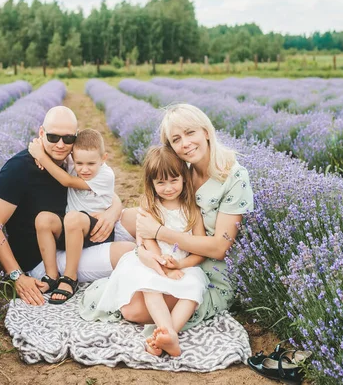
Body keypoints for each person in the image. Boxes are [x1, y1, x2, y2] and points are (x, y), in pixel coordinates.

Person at [80, 103, 254, 356]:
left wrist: (158, 232)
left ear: (206, 131)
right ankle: (167, 334)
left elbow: (218, 248)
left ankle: (165, 336)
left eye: (190, 133)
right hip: (170, 256)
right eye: (176, 139)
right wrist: (144, 244)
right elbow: (154, 202)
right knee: (130, 304)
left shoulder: (235, 177)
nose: (185, 143)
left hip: (205, 267)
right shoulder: (184, 169)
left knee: (134, 310)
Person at [0, 106, 130, 306]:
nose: (61, 145)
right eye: (53, 137)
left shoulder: (73, 161)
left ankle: (180, 255)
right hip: (46, 259)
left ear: (76, 138)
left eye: (68, 138)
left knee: (136, 217)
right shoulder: (18, 169)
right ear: (41, 133)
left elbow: (103, 189)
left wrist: (114, 212)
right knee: (130, 253)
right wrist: (17, 276)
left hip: (76, 233)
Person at [92, 146, 209, 356]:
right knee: (150, 287)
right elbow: (147, 241)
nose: (168, 188)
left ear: (184, 178)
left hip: (183, 265)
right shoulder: (151, 205)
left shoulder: (192, 209)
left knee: (194, 288)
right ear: (152, 183)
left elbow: (200, 251)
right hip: (152, 261)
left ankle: (167, 335)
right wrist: (163, 264)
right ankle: (169, 333)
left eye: (174, 180)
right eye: (160, 182)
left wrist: (179, 265)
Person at [27, 128, 116, 304]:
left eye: (91, 164)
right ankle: (51, 274)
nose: (84, 169)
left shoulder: (106, 175)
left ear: (103, 158)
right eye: (79, 163)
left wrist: (42, 157)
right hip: (71, 230)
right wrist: (39, 146)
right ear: (73, 158)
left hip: (95, 231)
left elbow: (67, 181)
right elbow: (58, 156)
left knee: (73, 217)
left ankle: (69, 277)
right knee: (43, 219)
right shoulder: (75, 162)